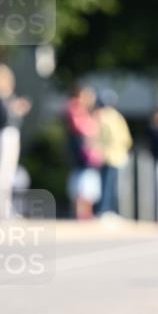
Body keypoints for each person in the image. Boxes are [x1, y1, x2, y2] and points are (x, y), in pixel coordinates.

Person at [0, 63, 31, 218]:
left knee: (0, 174)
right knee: (3, 174)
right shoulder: (0, 96)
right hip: (3, 136)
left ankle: (1, 208)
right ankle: (1, 210)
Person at [66, 84, 102, 220]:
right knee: (82, 181)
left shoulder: (85, 110)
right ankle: (81, 213)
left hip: (87, 150)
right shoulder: (75, 107)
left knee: (88, 181)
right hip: (81, 150)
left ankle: (86, 212)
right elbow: (82, 127)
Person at [94, 90, 133, 216]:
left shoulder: (100, 115)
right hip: (115, 156)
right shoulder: (115, 116)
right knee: (110, 185)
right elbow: (125, 138)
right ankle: (105, 210)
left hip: (105, 155)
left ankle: (103, 209)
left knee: (105, 184)